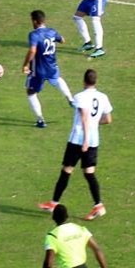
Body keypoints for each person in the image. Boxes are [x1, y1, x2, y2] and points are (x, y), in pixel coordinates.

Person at [39, 69, 113, 220]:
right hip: (94, 141)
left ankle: (54, 203)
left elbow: (85, 117)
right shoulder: (103, 97)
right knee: (89, 173)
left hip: (78, 140)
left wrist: (85, 140)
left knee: (66, 170)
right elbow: (108, 119)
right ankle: (98, 205)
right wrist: (93, 127)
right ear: (95, 82)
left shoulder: (80, 97)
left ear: (84, 81)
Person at [23, 10, 75, 128]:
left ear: (35, 21)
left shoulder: (34, 34)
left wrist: (25, 64)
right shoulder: (52, 31)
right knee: (58, 79)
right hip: (52, 67)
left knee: (31, 92)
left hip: (38, 70)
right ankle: (71, 99)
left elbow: (32, 50)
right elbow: (62, 40)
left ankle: (40, 120)